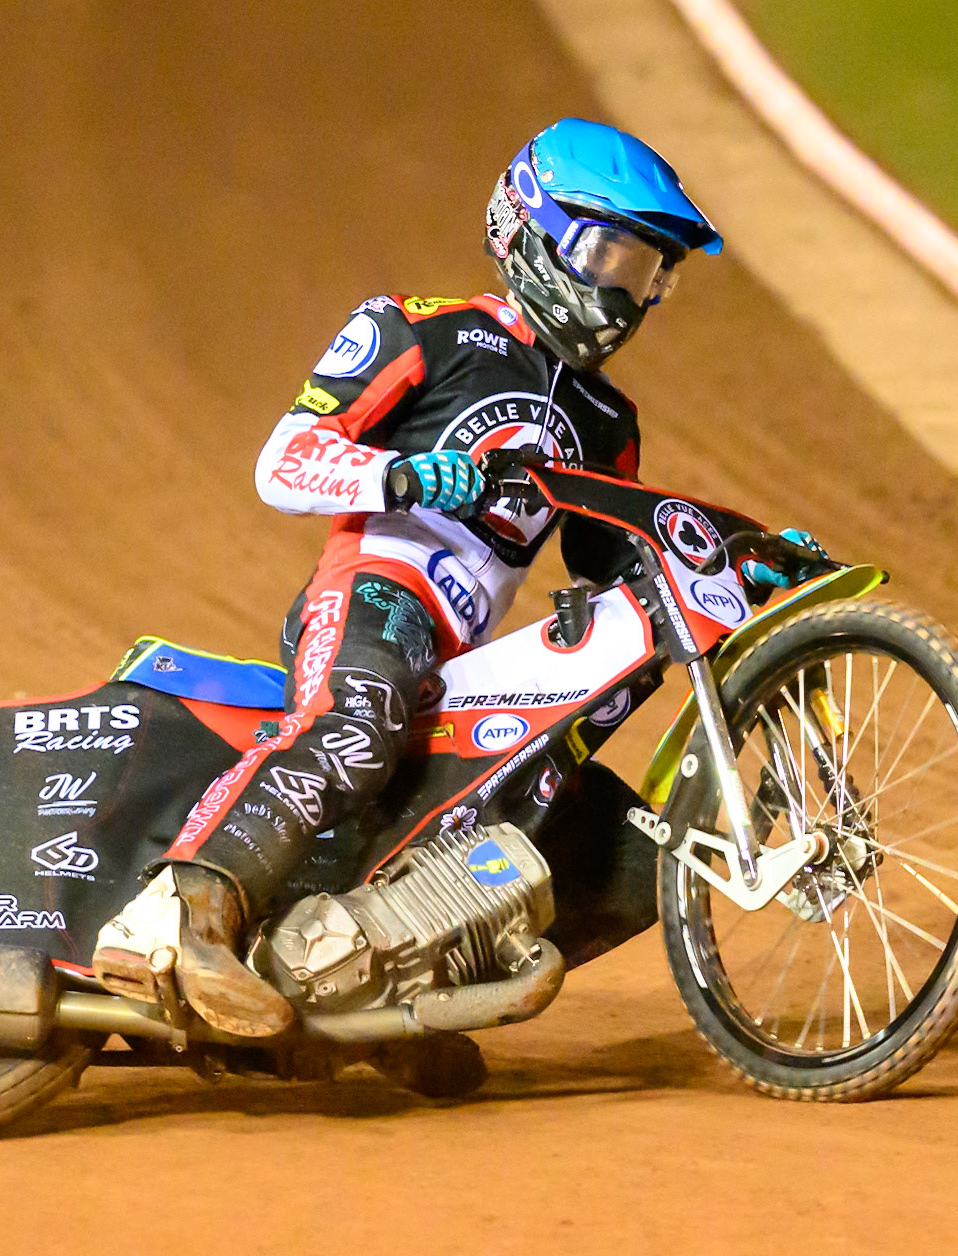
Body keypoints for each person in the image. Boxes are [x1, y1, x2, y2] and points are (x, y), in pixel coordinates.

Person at [94, 118, 735, 1038]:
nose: (623, 296)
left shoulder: (606, 418)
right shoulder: (423, 331)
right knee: (356, 726)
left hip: (463, 660)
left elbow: (612, 560)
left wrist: (718, 552)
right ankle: (168, 921)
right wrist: (397, 475)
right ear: (535, 229)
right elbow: (282, 462)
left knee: (618, 852)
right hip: (374, 594)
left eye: (647, 274)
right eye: (610, 258)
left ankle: (391, 1000)